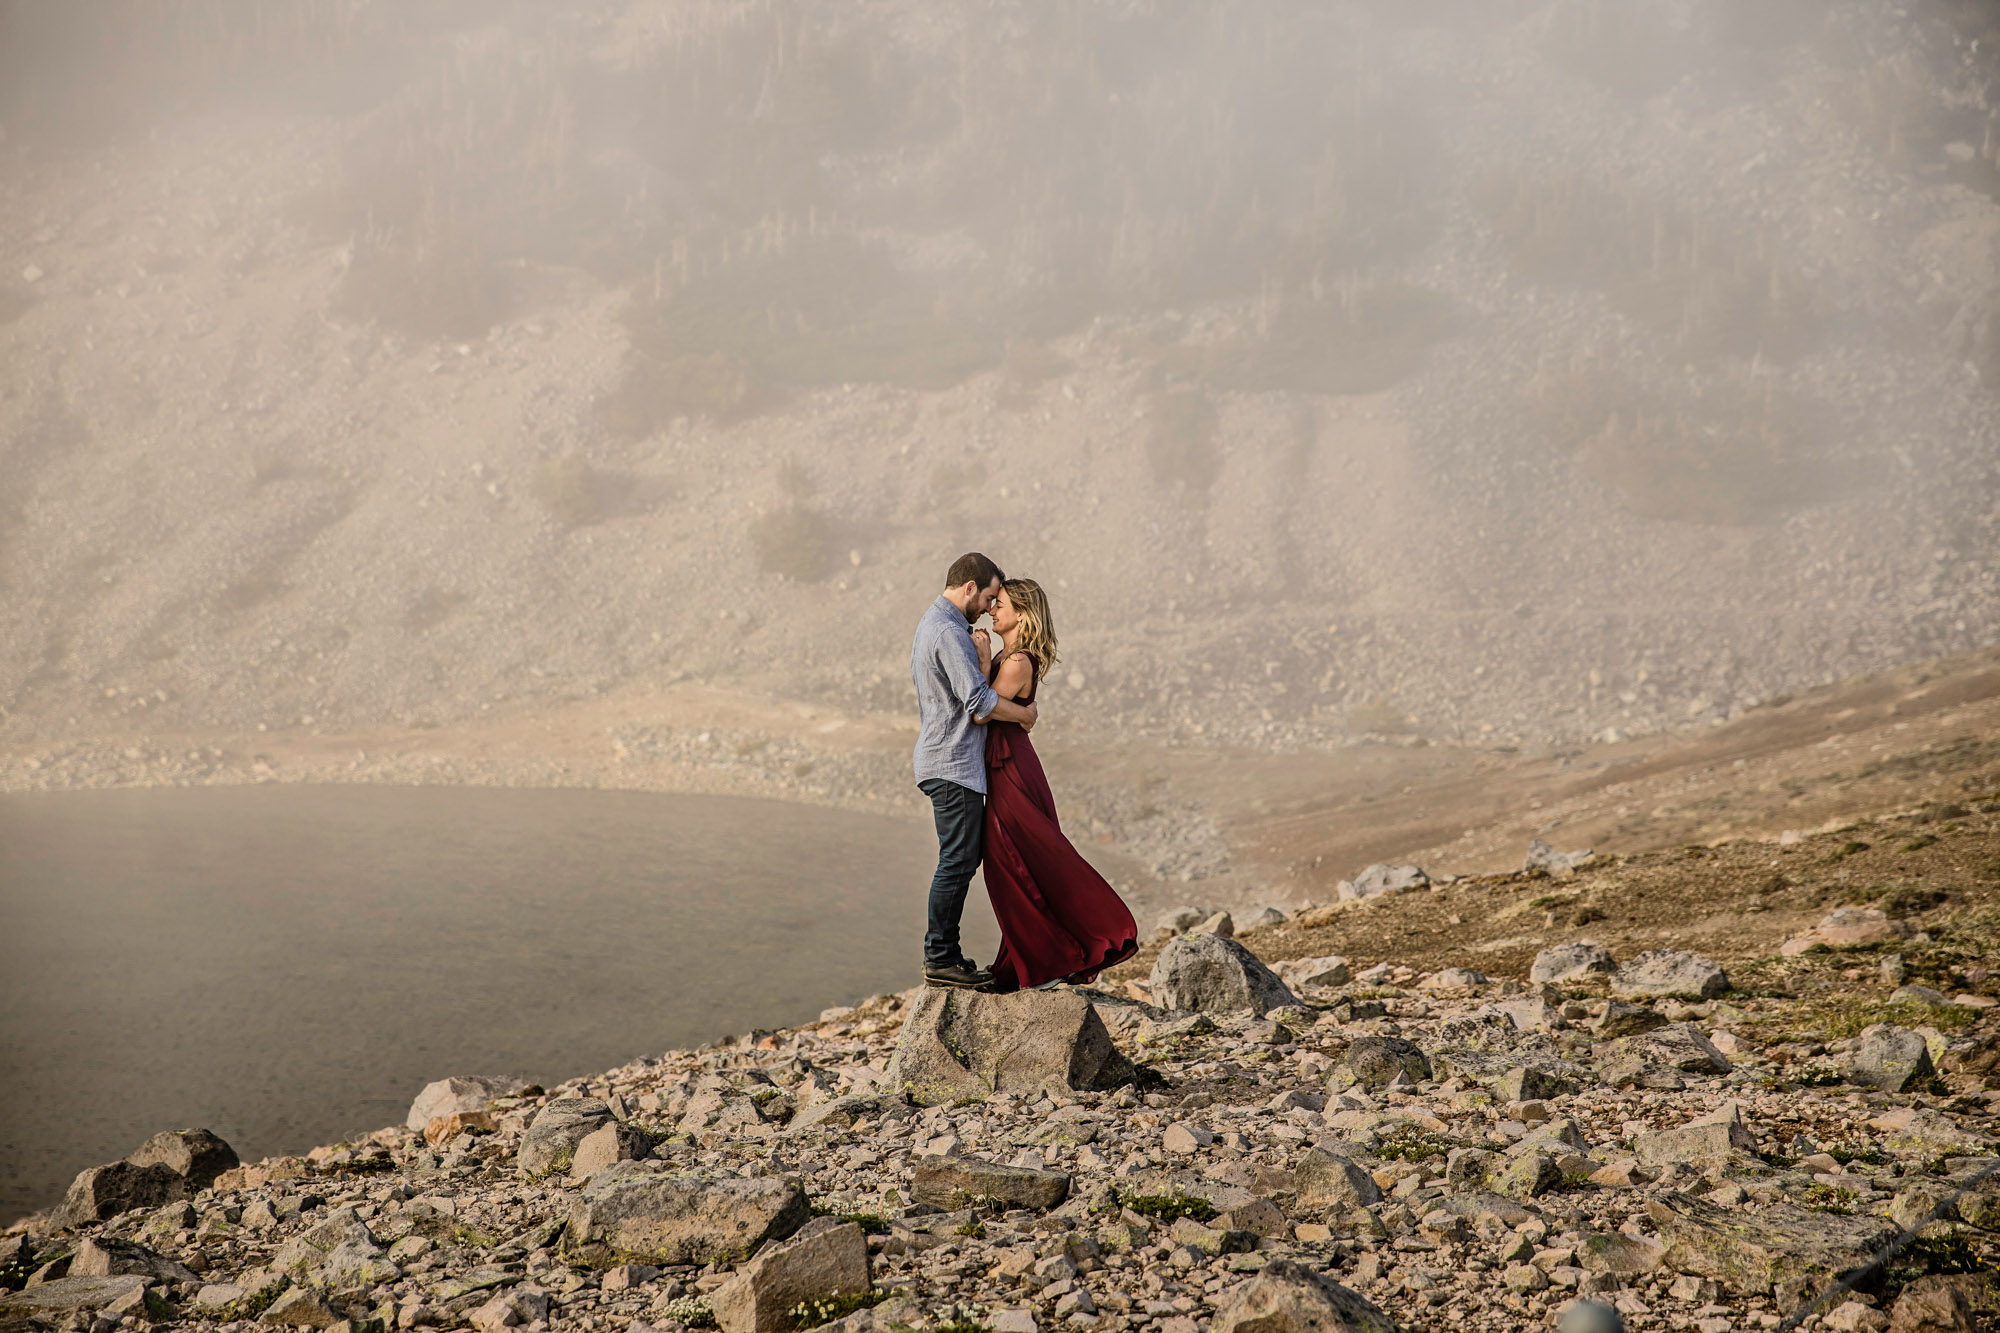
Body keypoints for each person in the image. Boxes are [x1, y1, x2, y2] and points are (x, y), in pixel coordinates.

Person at [973, 578, 1137, 991]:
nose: (992, 610)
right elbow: (1006, 712)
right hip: (1003, 767)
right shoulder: (1010, 658)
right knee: (1014, 865)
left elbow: (980, 711)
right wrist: (1023, 713)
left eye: (1001, 605)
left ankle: (1053, 959)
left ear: (1022, 616)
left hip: (1009, 772)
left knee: (1015, 863)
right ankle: (1034, 960)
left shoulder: (1015, 663)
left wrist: (980, 663)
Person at [909, 552, 1039, 989]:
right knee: (957, 862)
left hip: (947, 762)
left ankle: (947, 955)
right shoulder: (948, 631)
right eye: (987, 597)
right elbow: (979, 702)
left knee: (961, 859)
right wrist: (1025, 716)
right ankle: (940, 958)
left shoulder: (940, 625)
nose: (988, 607)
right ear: (968, 588)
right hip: (953, 764)